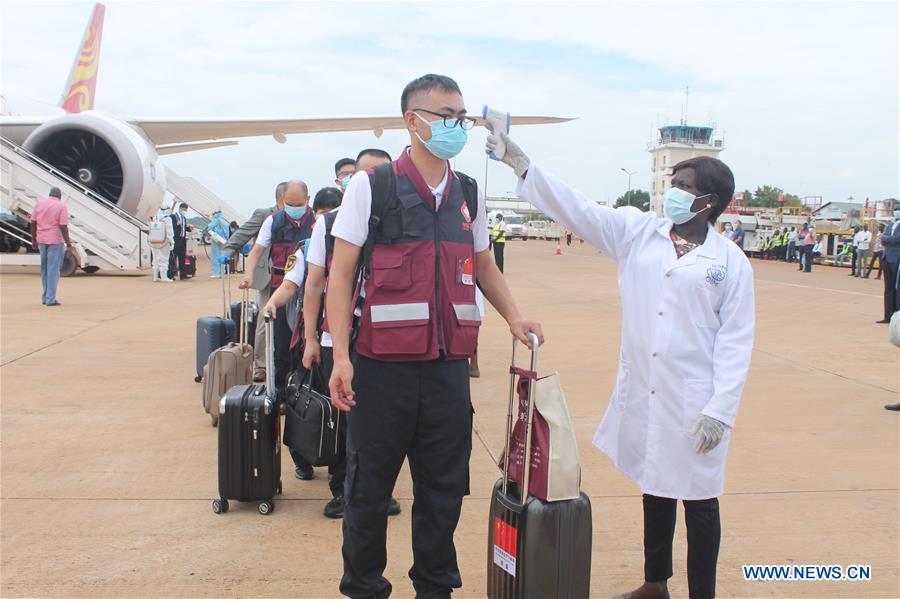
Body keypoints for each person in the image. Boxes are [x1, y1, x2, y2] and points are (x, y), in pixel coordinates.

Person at [487, 132, 754, 599]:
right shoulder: (637, 233)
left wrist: (720, 410)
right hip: (647, 391)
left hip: (696, 400)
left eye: (684, 185)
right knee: (655, 486)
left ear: (710, 201)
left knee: (700, 501)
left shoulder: (730, 263)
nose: (673, 191)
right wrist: (524, 167)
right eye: (673, 180)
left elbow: (736, 341)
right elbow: (580, 210)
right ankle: (655, 585)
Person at [326, 74, 543, 599]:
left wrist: (514, 315)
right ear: (412, 120)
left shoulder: (467, 191)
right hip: (381, 370)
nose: (456, 126)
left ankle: (435, 588)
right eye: (445, 115)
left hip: (448, 370)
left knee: (444, 491)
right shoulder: (371, 187)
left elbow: (483, 263)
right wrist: (340, 357)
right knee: (369, 490)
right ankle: (363, 585)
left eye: (461, 117)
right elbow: (339, 274)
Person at [302, 150, 401, 520]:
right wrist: (312, 338)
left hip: (385, 340)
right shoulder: (326, 226)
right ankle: (342, 489)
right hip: (338, 339)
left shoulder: (396, 220)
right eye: (357, 174)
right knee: (345, 420)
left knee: (382, 421)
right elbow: (315, 284)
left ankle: (378, 489)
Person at [240, 181, 316, 479]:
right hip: (281, 290)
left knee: (305, 351)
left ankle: (307, 392)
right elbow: (257, 251)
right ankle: (284, 394)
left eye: (299, 203)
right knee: (281, 347)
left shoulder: (317, 223)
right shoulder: (274, 220)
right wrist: (248, 276)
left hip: (309, 292)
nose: (294, 208)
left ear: (307, 200)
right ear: (282, 201)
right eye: (289, 203)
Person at [223, 182, 287, 381]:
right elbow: (242, 234)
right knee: (264, 319)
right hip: (268, 276)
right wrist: (227, 251)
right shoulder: (264, 215)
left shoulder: (303, 218)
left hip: (291, 276)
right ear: (281, 199)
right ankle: (261, 365)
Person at [29, 187, 72, 306]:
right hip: (55, 240)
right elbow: (63, 226)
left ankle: (45, 297)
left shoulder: (39, 204)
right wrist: (68, 244)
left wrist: (34, 239)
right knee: (53, 270)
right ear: (59, 196)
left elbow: (33, 222)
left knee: (44, 269)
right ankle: (50, 299)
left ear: (49, 194)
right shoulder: (61, 206)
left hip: (41, 240)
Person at [876, 209, 900, 324]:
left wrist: (887, 239)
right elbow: (883, 238)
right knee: (888, 288)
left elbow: (897, 239)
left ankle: (896, 316)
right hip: (886, 257)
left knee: (897, 288)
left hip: (896, 258)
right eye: (895, 210)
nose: (896, 212)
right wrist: (887, 239)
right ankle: (887, 316)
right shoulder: (890, 224)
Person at [148, 205, 175, 283]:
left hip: (153, 241)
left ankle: (155, 277)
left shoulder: (155, 218)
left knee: (155, 259)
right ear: (167, 210)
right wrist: (172, 242)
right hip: (164, 242)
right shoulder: (167, 219)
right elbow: (169, 232)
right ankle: (164, 277)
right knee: (164, 259)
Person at [168, 203, 193, 280]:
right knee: (173, 258)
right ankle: (171, 275)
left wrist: (189, 228)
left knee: (182, 258)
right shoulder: (173, 216)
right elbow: (169, 226)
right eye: (184, 210)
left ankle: (183, 275)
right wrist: (176, 224)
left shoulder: (184, 218)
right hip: (175, 239)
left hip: (182, 240)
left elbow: (183, 228)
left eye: (186, 210)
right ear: (180, 208)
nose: (185, 211)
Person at [203, 209, 231, 278]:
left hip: (216, 241)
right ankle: (222, 272)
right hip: (223, 241)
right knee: (223, 256)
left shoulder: (216, 220)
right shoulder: (224, 221)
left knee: (215, 257)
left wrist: (204, 234)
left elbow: (208, 228)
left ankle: (216, 273)